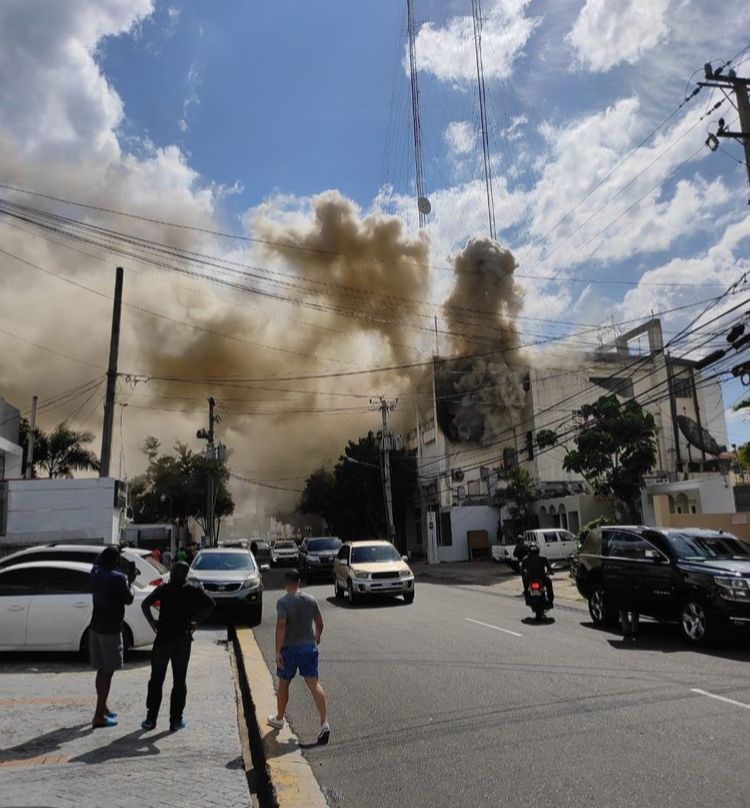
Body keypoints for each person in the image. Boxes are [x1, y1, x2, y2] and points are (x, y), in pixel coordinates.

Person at [140, 562, 215, 731]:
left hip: (163, 638)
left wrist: (152, 622)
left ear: (173, 574)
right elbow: (211, 604)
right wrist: (196, 620)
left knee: (156, 679)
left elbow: (145, 604)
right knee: (179, 680)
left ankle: (151, 718)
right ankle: (176, 720)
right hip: (183, 639)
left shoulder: (164, 589)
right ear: (186, 574)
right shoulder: (193, 589)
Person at [267, 570, 330, 745]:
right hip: (308, 648)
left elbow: (281, 626)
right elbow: (320, 622)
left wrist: (277, 651)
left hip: (289, 650)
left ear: (285, 583)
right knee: (314, 684)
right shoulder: (310, 600)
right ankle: (324, 722)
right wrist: (317, 637)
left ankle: (279, 717)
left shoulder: (283, 602)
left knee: (284, 684)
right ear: (299, 582)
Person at [89, 545, 134, 728]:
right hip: (111, 630)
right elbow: (129, 599)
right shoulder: (118, 578)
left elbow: (97, 562)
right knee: (108, 672)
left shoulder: (95, 572)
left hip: (95, 627)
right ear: (115, 562)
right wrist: (130, 581)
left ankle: (103, 707)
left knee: (101, 670)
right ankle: (98, 716)